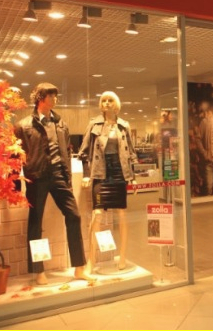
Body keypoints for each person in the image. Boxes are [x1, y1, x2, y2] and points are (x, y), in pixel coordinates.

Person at [14, 82, 92, 285]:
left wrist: (67, 176)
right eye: (51, 96)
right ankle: (38, 271)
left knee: (74, 215)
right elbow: (15, 156)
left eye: (55, 96)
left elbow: (66, 150)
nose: (55, 99)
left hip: (59, 175)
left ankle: (79, 268)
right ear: (41, 98)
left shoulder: (60, 124)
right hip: (37, 177)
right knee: (36, 222)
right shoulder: (24, 126)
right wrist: (16, 186)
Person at [78, 91, 137, 271]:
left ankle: (123, 256)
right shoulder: (93, 124)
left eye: (110, 100)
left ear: (116, 104)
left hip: (119, 172)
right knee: (97, 214)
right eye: (103, 100)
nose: (106, 103)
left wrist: (133, 177)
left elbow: (130, 153)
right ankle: (91, 259)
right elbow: (84, 152)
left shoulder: (124, 125)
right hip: (101, 172)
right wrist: (86, 174)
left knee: (122, 214)